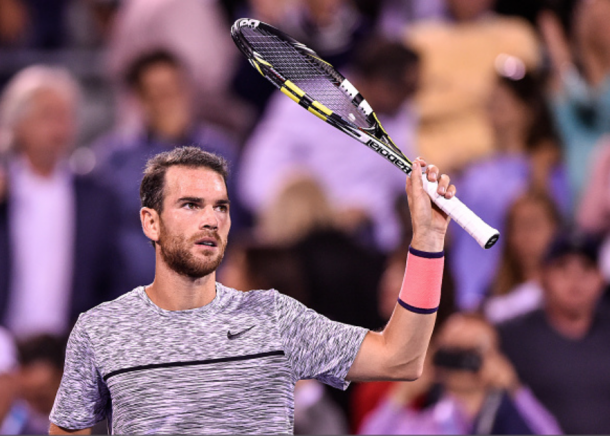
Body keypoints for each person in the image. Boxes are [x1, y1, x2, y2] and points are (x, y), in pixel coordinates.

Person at [49, 146, 456, 434]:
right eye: (191, 205)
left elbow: (401, 359)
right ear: (150, 223)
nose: (211, 219)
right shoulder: (100, 329)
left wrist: (428, 236)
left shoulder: (274, 317)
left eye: (221, 207)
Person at [238, 38, 421, 252]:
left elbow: (399, 184)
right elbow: (254, 179)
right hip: (298, 234)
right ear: (379, 85)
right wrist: (317, 214)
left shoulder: (400, 118)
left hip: (365, 241)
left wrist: (365, 209)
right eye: (406, 90)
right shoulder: (302, 103)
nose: (411, 99)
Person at [93, 50, 242, 292]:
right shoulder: (114, 159)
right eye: (158, 93)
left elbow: (239, 225)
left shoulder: (221, 150)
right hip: (134, 298)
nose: (170, 100)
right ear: (140, 99)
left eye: (175, 89)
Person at [0, 65, 124, 339]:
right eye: (47, 115)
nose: (60, 127)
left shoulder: (97, 198)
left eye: (66, 116)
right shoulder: (4, 188)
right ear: (18, 124)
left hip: (68, 350)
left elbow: (110, 278)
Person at [448, 65, 569, 311]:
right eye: (492, 101)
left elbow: (552, 234)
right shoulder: (472, 172)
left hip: (520, 298)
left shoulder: (547, 168)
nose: (494, 108)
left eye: (504, 100)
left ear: (528, 110)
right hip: (466, 295)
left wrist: (539, 178)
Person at [359, 313, 562, 434]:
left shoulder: (511, 417)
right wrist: (402, 395)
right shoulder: (426, 423)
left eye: (473, 351)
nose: (463, 361)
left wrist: (515, 389)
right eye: (454, 351)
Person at [498, 231, 610, 434]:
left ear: (600, 279)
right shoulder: (514, 337)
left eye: (586, 268)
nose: (575, 280)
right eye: (563, 268)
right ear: (542, 276)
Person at [483, 191, 562, 323]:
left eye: (533, 225)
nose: (526, 236)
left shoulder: (569, 292)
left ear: (555, 229)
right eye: (517, 226)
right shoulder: (493, 288)